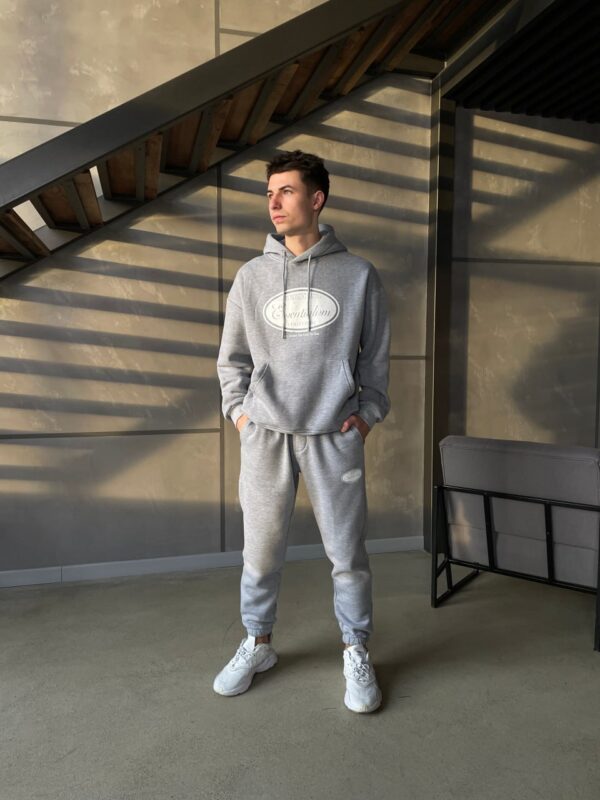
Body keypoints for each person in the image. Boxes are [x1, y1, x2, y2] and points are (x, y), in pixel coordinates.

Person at [214, 150, 391, 713]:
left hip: (333, 434)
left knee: (347, 554)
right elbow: (231, 361)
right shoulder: (251, 276)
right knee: (260, 553)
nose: (274, 202)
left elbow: (375, 362)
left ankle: (356, 649)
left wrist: (366, 417)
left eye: (286, 191)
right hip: (265, 435)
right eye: (270, 193)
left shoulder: (358, 275)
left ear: (317, 199)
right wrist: (242, 417)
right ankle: (258, 643)